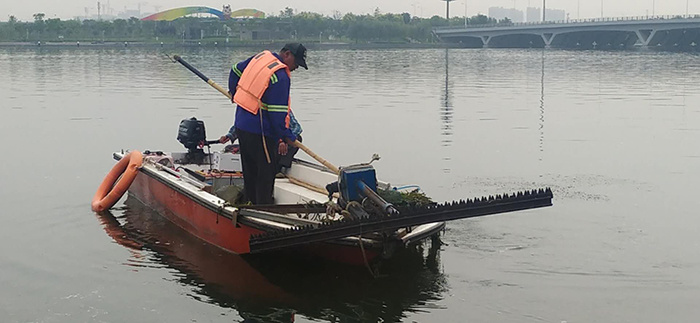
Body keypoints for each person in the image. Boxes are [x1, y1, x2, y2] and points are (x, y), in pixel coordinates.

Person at [219, 43, 307, 205]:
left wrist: (234, 91)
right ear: (287, 54)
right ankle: (262, 210)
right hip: (261, 132)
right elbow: (277, 114)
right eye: (296, 63)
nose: (296, 68)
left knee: (250, 171)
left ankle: (249, 204)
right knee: (264, 176)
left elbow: (235, 69)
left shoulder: (261, 58)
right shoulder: (280, 75)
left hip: (241, 125)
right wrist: (286, 136)